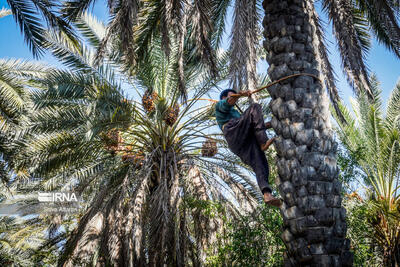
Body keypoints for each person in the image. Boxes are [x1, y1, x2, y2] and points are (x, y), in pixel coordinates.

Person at [215, 89, 281, 207]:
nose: (234, 100)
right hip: (232, 131)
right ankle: (263, 142)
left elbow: (255, 125)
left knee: (260, 163)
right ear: (224, 97)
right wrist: (241, 94)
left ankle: (267, 194)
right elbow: (229, 102)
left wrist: (272, 123)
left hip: (242, 141)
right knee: (254, 107)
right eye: (231, 96)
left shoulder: (236, 113)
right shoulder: (220, 105)